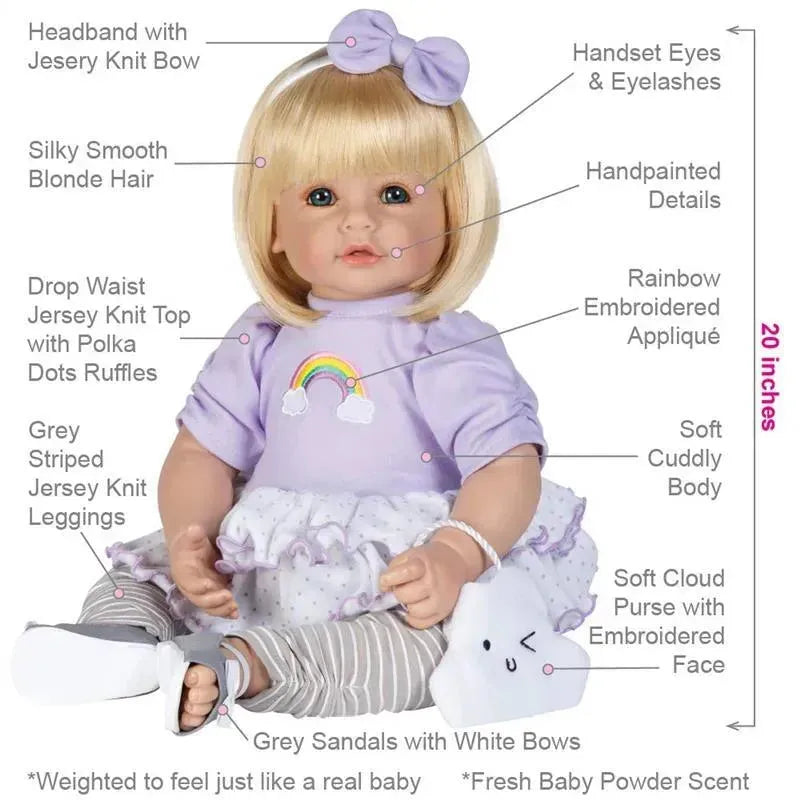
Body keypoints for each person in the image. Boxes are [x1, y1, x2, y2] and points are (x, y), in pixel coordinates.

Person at [12, 9, 596, 734]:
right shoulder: (262, 337)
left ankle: (247, 666)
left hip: (401, 573)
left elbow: (507, 464)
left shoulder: (445, 344)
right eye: (322, 198)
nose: (359, 220)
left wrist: (455, 554)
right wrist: (192, 535)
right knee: (144, 572)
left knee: (429, 650)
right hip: (266, 564)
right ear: (274, 229)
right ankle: (122, 640)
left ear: (453, 211)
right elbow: (201, 452)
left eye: (394, 194)